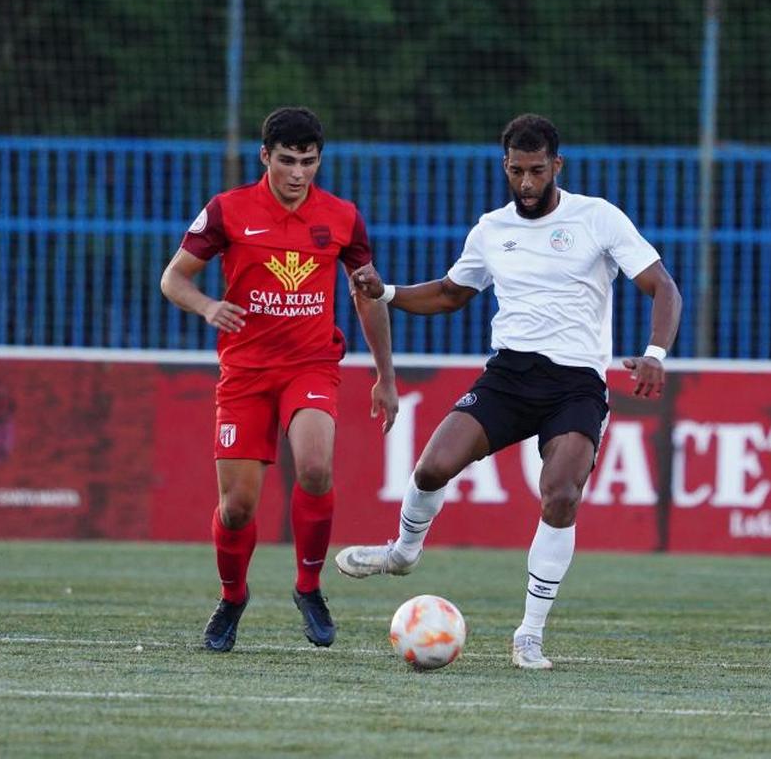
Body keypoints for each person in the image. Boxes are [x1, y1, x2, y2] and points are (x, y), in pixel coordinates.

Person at [335, 114, 681, 670]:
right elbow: (452, 294)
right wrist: (390, 291)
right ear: (505, 167)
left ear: (556, 167)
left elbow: (662, 286)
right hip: (509, 377)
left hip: (576, 384)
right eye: (516, 171)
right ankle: (403, 553)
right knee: (430, 469)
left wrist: (656, 354)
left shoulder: (597, 218)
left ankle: (530, 634)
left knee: (561, 493)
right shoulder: (492, 229)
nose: (525, 182)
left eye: (536, 171)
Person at [161, 106, 398, 653]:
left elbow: (368, 296)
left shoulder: (342, 217)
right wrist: (206, 306)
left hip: (310, 365)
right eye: (287, 161)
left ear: (319, 161)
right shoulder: (228, 211)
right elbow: (173, 278)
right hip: (244, 374)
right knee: (238, 508)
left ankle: (309, 588)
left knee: (315, 467)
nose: (297, 173)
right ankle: (232, 596)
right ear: (265, 157)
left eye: (308, 162)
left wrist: (386, 376)